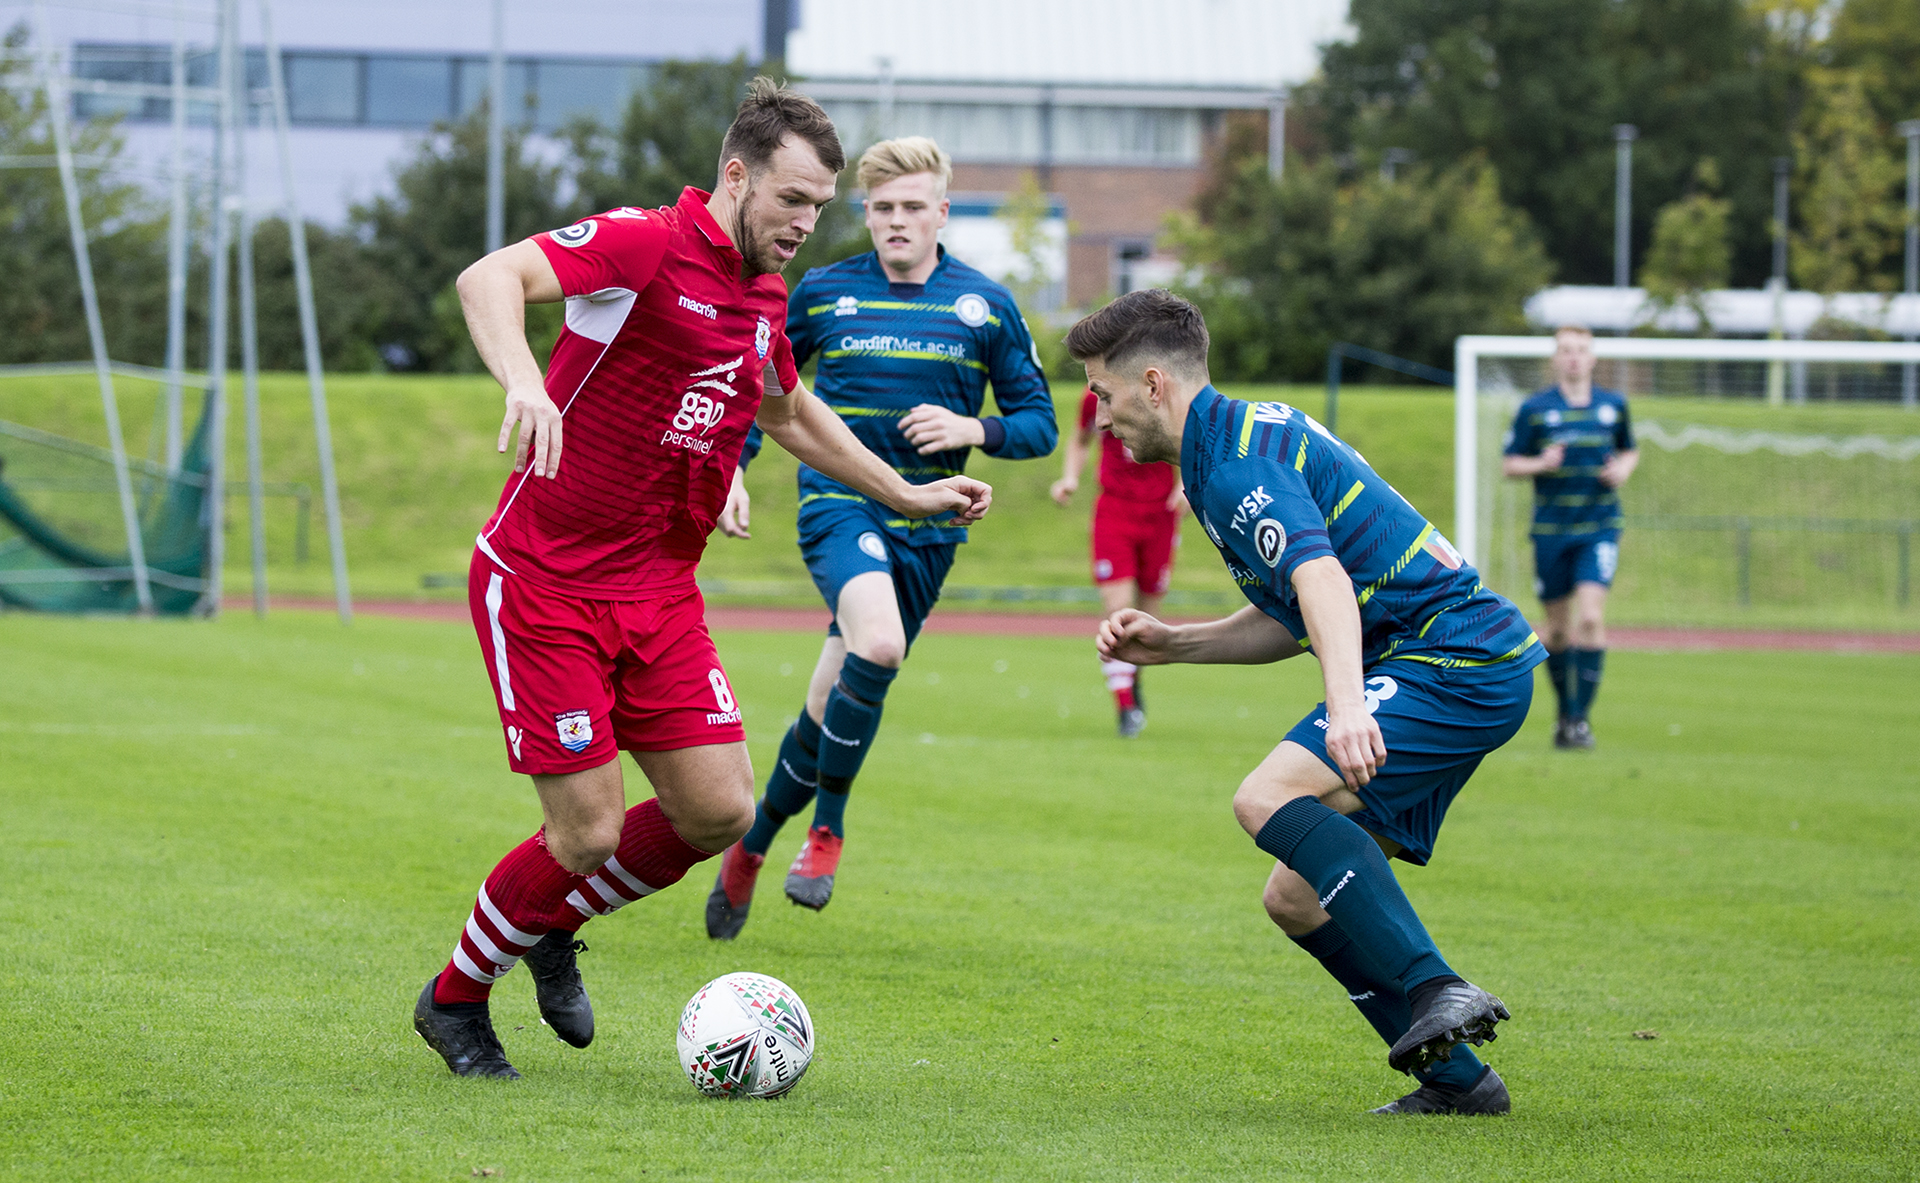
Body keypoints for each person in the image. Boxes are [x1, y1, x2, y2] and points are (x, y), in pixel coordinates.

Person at [412, 82, 992, 1080]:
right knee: (587, 829)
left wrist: (905, 490)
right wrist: (520, 379)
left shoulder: (764, 293)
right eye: (791, 200)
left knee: (717, 811)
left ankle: (548, 918)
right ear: (736, 175)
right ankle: (457, 998)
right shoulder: (641, 244)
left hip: (659, 589)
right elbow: (488, 279)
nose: (805, 224)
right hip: (545, 580)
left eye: (819, 207)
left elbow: (787, 411)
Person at [1079, 290, 1541, 1116]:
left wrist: (1350, 705)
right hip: (1455, 659)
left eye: (1104, 394)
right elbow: (1291, 609)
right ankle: (1460, 1083)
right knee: (1293, 894)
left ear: (1153, 384)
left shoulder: (1233, 465)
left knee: (1267, 796)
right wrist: (1176, 643)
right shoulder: (1235, 438)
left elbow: (1323, 582)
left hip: (1456, 654)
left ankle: (1438, 985)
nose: (1100, 417)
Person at [705, 135, 1058, 940]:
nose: (897, 222)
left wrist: (973, 426)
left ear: (942, 211)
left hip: (931, 525)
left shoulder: (985, 307)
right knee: (880, 644)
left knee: (834, 698)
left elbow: (1038, 424)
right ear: (866, 213)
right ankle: (826, 832)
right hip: (840, 503)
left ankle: (753, 845)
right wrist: (732, 467)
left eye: (913, 207)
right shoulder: (824, 292)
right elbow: (759, 390)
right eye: (883, 208)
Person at [1501, 325, 1638, 750]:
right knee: (1557, 631)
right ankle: (1565, 714)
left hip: (1598, 527)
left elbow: (1629, 449)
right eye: (1566, 351)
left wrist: (1623, 469)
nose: (1574, 357)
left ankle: (1579, 720)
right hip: (1550, 532)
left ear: (1593, 358)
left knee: (1592, 618)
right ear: (1556, 359)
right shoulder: (1536, 409)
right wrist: (1541, 463)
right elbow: (1510, 465)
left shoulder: (1613, 406)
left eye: (1581, 350)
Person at [1051, 387, 1187, 737]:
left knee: (1147, 619)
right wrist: (1070, 478)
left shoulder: (1160, 393)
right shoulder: (1093, 397)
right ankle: (1125, 704)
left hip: (1160, 514)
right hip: (1114, 510)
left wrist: (1186, 486)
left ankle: (1131, 678)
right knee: (1118, 609)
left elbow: (1189, 441)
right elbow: (1081, 439)